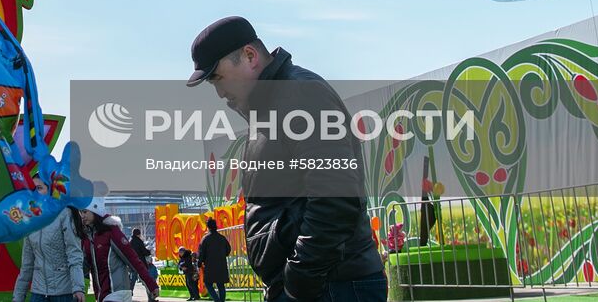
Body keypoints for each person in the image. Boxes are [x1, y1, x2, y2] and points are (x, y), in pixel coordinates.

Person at [187, 16, 385, 302]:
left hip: (332, 286)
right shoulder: (272, 105)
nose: (218, 92)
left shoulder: (300, 95)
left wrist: (297, 284)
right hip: (318, 285)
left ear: (250, 56)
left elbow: (336, 199)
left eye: (217, 77)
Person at [76, 200, 158, 302]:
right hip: (102, 294)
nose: (82, 216)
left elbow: (132, 258)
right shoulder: (87, 237)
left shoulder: (111, 231)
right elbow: (83, 266)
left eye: (85, 212)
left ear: (95, 211)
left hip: (118, 292)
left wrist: (151, 284)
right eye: (80, 212)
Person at [11, 205, 85, 302]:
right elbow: (27, 265)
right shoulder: (30, 218)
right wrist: (18, 297)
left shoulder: (65, 213)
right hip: (38, 293)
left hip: (63, 293)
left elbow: (74, 254)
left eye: (40, 188)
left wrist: (78, 288)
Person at [198, 217, 232, 302]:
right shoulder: (222, 238)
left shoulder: (205, 239)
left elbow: (201, 252)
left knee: (208, 284)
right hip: (221, 265)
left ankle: (217, 300)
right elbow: (228, 250)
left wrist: (200, 262)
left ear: (208, 227)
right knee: (220, 285)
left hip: (210, 266)